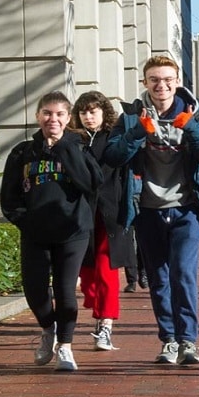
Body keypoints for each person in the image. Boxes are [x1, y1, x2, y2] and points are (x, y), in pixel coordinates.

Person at [103, 54, 199, 367]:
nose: (162, 85)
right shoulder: (131, 117)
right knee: (158, 279)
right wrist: (137, 132)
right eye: (155, 79)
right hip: (147, 209)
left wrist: (192, 129)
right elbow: (113, 156)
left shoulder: (197, 116)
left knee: (183, 275)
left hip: (186, 210)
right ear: (145, 83)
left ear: (177, 82)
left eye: (168, 79)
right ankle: (168, 340)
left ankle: (188, 342)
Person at [2, 91, 101, 372]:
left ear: (68, 118)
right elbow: (9, 195)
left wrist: (65, 148)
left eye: (59, 114)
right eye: (47, 113)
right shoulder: (23, 152)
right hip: (36, 231)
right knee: (34, 290)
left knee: (65, 290)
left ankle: (66, 347)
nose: (52, 119)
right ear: (38, 116)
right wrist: (23, 220)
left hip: (73, 231)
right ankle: (48, 329)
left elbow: (92, 184)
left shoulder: (79, 147)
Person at [72, 91, 137, 352]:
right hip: (79, 214)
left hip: (109, 214)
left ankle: (105, 325)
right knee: (86, 275)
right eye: (84, 112)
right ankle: (96, 305)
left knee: (106, 271)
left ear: (103, 113)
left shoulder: (113, 140)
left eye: (94, 111)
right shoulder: (71, 141)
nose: (89, 117)